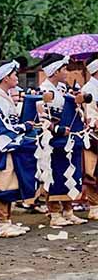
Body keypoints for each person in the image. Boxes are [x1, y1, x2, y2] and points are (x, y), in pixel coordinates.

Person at [0, 60, 37, 238]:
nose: (16, 77)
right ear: (5, 77)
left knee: (10, 183)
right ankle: (2, 223)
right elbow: (1, 128)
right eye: (13, 74)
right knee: (2, 185)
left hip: (7, 146)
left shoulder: (2, 96)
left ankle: (8, 221)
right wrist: (25, 127)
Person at [36, 53, 88, 227]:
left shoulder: (62, 88)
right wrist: (55, 128)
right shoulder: (44, 90)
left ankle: (68, 210)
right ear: (55, 70)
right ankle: (54, 212)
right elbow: (40, 116)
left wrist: (78, 100)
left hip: (68, 138)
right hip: (51, 140)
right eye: (64, 68)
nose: (67, 72)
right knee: (53, 174)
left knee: (69, 172)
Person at [81, 54, 98, 221]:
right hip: (92, 135)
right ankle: (94, 206)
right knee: (92, 172)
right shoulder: (88, 89)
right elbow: (89, 114)